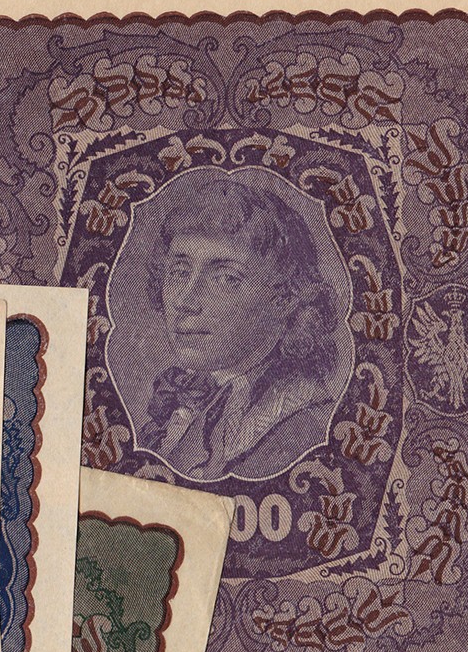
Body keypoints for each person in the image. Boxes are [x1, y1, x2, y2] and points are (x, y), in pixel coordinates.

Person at [136, 176, 349, 482]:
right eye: (180, 272)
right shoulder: (181, 412)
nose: (186, 301)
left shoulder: (306, 430)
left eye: (226, 278)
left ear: (285, 297)